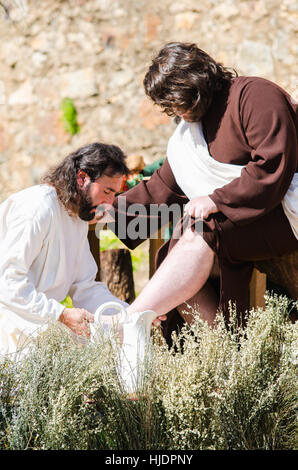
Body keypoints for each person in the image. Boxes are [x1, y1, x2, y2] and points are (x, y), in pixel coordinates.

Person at [111, 42, 298, 345]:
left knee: (200, 229)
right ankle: (223, 357)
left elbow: (272, 165)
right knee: (172, 265)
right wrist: (111, 212)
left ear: (194, 83)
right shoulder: (189, 135)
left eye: (174, 101)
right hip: (238, 223)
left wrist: (215, 200)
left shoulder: (254, 96)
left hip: (283, 213)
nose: (174, 112)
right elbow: (165, 187)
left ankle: (130, 322)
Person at [0, 142, 133, 356]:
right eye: (107, 191)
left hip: (38, 325)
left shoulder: (77, 218)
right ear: (82, 178)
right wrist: (61, 314)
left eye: (114, 195)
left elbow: (84, 286)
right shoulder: (38, 208)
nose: (109, 204)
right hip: (9, 327)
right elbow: (6, 282)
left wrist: (131, 315)